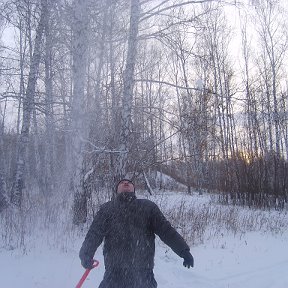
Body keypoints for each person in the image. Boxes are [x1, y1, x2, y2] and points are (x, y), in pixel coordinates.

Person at [79, 178, 194, 288]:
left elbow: (166, 230)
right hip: (114, 273)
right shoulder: (107, 209)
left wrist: (183, 250)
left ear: (134, 189)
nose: (125, 183)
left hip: (143, 273)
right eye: (122, 182)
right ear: (116, 190)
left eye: (129, 182)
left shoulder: (148, 207)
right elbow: (94, 234)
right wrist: (86, 254)